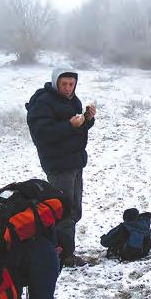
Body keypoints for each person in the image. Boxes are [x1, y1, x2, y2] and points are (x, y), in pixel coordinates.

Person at [26, 68, 96, 267]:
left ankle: (62, 250)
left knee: (74, 210)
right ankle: (62, 254)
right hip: (58, 164)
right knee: (62, 211)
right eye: (64, 84)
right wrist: (69, 126)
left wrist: (87, 120)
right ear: (56, 82)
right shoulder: (43, 103)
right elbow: (42, 134)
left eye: (71, 84)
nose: (67, 88)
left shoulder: (74, 101)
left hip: (75, 162)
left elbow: (77, 129)